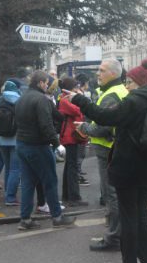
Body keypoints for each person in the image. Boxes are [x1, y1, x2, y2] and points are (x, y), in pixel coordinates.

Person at [71, 59, 147, 263]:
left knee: (129, 217)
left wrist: (80, 100)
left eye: (130, 82)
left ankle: (129, 259)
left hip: (128, 167)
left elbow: (103, 117)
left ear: (139, 83)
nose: (127, 86)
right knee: (142, 215)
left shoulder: (133, 101)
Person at [14, 70, 76, 230]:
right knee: (50, 181)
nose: (48, 86)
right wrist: (57, 144)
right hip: (38, 146)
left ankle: (25, 219)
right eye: (46, 83)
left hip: (21, 145)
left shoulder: (22, 98)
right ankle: (57, 217)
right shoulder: (41, 100)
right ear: (40, 83)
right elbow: (46, 125)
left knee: (28, 183)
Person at [78, 59, 128, 251]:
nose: (98, 74)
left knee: (111, 194)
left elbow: (101, 127)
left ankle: (114, 238)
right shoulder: (116, 91)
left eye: (102, 70)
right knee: (115, 193)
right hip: (113, 148)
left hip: (107, 150)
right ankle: (118, 233)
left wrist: (83, 127)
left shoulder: (111, 95)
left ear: (113, 74)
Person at [58, 77, 89, 207]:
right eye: (76, 86)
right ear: (71, 87)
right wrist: (80, 99)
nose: (78, 89)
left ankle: (67, 195)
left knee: (70, 166)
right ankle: (74, 198)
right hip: (70, 136)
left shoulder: (65, 97)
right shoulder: (65, 99)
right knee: (73, 167)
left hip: (70, 135)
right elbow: (78, 111)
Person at [0, 81, 22, 206]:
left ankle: (7, 194)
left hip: (2, 139)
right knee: (16, 169)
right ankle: (10, 197)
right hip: (16, 139)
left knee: (8, 168)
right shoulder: (20, 101)